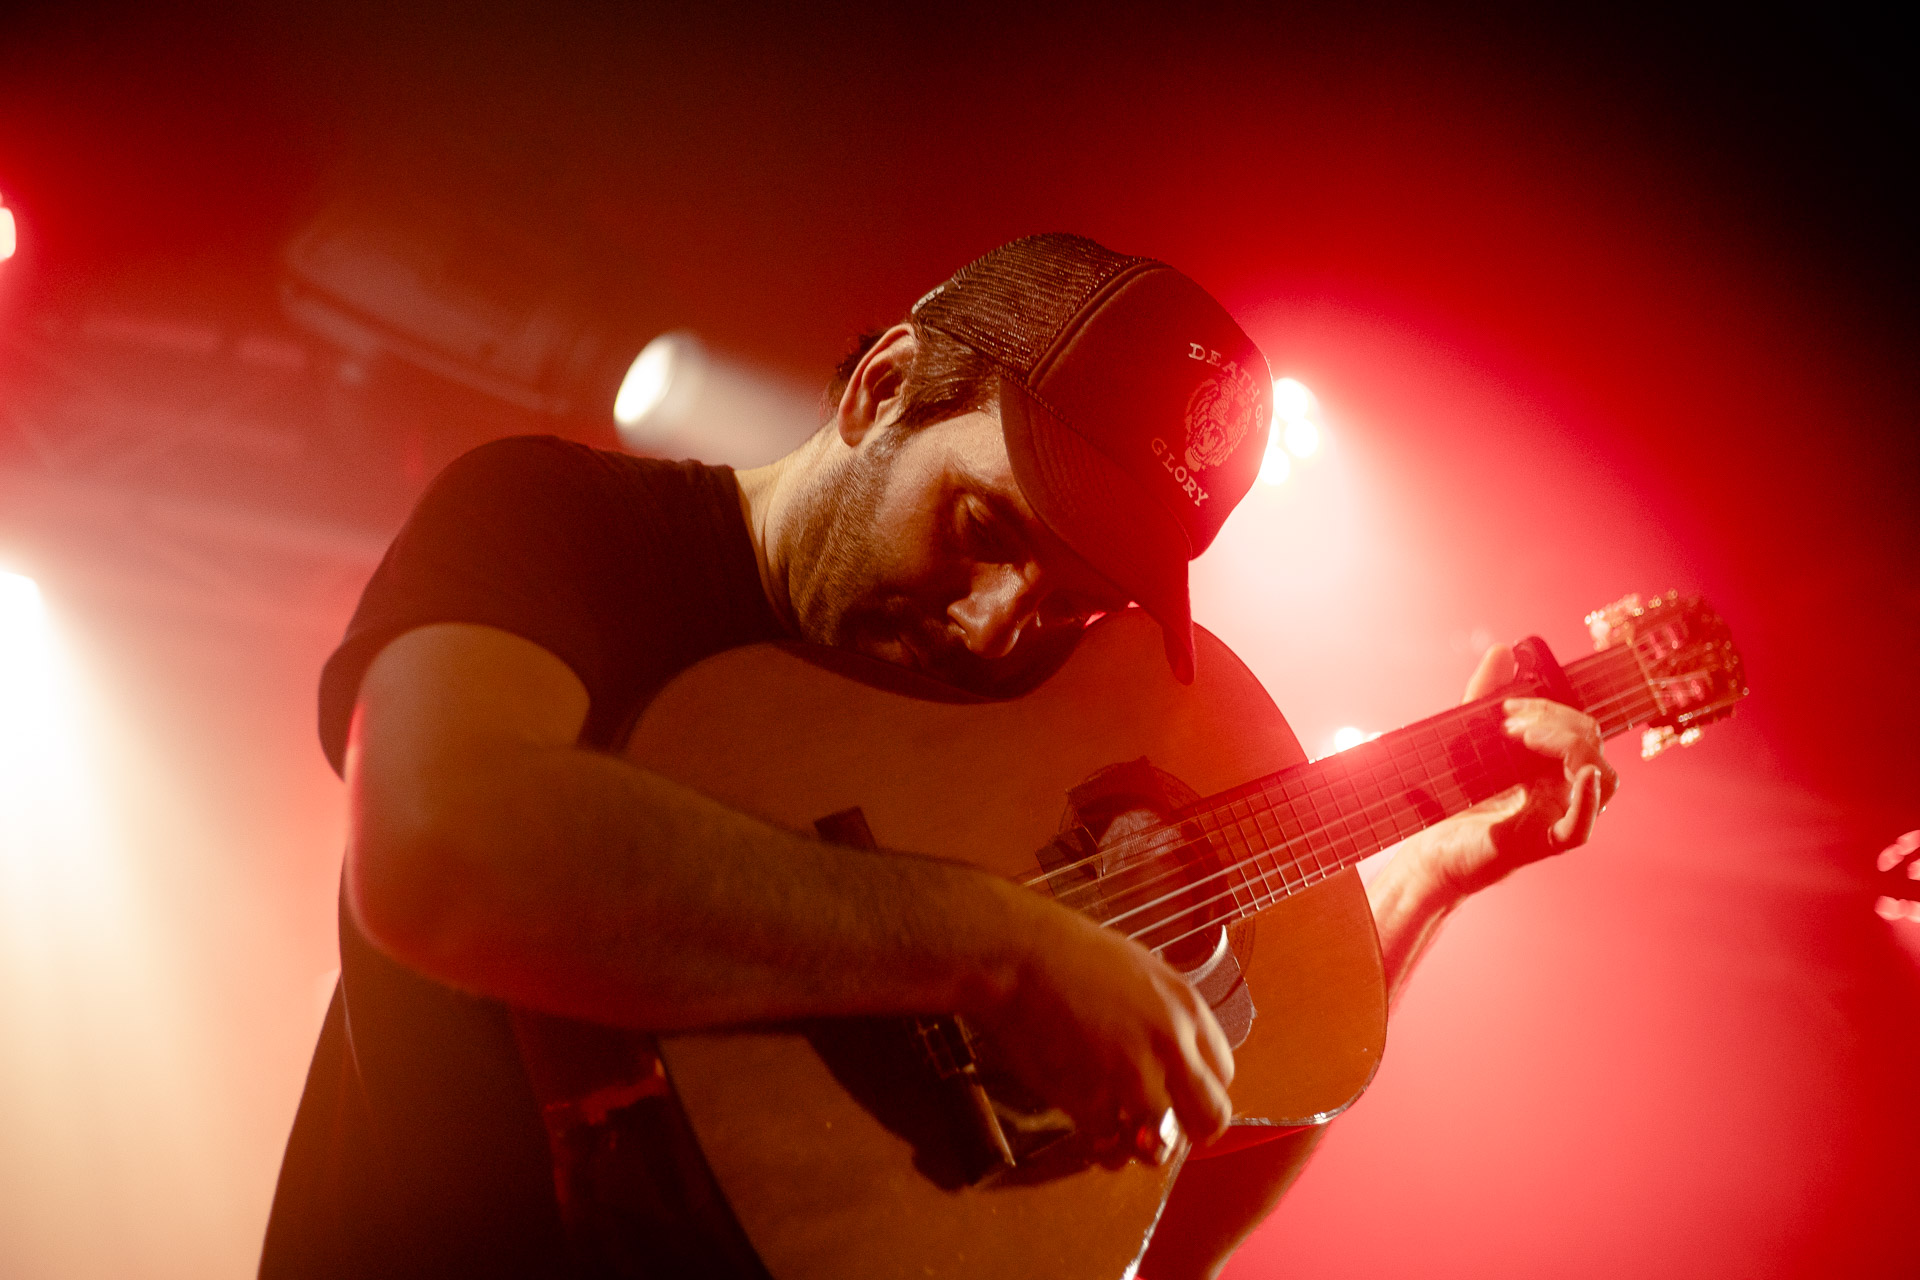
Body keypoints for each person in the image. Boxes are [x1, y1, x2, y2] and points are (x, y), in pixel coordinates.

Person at [260, 234, 1617, 1279]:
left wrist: (1422, 879)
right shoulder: (557, 522)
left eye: (1075, 605)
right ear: (884, 388)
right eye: (983, 528)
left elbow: (1119, 1246)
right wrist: (998, 946)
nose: (992, 624)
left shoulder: (995, 766)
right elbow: (440, 847)